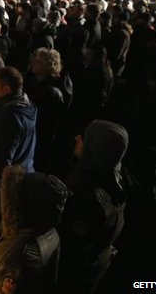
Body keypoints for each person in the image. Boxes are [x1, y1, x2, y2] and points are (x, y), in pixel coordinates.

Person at [0, 165, 69, 294]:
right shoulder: (47, 231)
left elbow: (7, 262)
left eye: (13, 199)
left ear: (24, 207)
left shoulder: (17, 262)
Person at [58, 120, 130, 294]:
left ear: (95, 149)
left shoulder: (84, 192)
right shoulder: (119, 180)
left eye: (84, 138)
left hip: (73, 277)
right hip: (97, 266)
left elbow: (69, 245)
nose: (77, 139)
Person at [0, 67, 37, 230]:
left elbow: (0, 162)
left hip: (6, 188)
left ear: (6, 89)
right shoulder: (27, 106)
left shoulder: (9, 120)